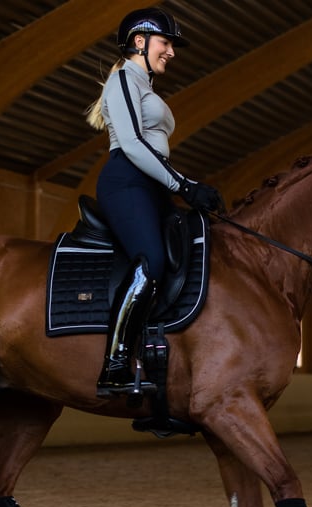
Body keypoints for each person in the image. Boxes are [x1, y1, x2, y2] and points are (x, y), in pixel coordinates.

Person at [85, 7, 224, 397]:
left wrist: (186, 185)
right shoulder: (124, 81)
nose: (172, 53)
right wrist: (183, 184)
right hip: (127, 182)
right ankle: (114, 363)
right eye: (166, 43)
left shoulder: (145, 88)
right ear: (140, 42)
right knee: (153, 261)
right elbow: (132, 145)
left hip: (151, 185)